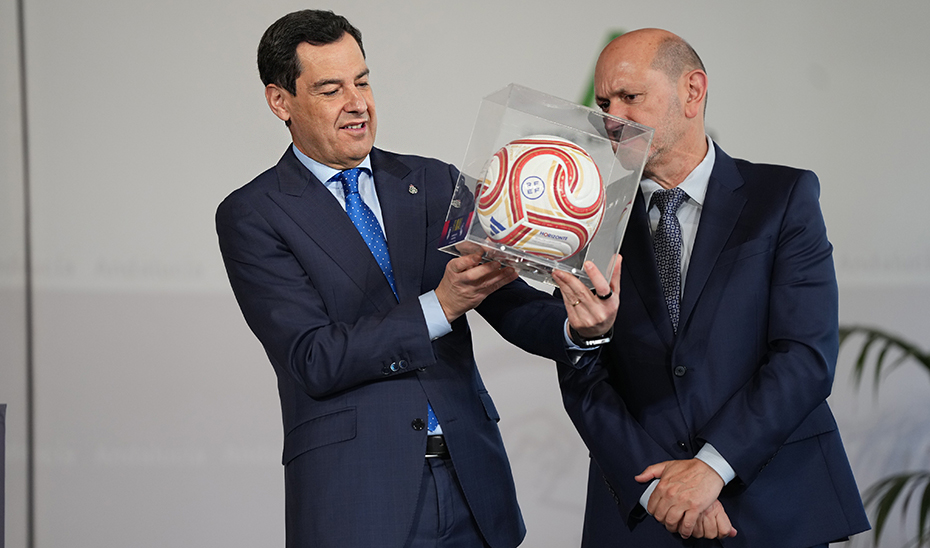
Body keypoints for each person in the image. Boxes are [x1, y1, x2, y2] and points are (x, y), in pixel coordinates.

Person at [215, 10, 617, 548]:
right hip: (358, 500)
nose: (357, 103)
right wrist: (440, 306)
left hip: (472, 488)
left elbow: (511, 302)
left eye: (362, 81)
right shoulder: (254, 213)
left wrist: (580, 327)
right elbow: (314, 357)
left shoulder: (431, 182)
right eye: (331, 89)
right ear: (280, 101)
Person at [556, 28, 870, 547]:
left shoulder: (783, 196)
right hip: (645, 512)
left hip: (773, 505)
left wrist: (711, 469)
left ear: (693, 90)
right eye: (605, 102)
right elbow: (580, 371)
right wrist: (664, 491)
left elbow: (804, 356)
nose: (616, 118)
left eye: (631, 97)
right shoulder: (588, 219)